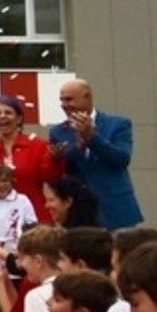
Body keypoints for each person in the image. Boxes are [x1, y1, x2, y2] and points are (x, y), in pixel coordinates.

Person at [48, 78, 142, 228]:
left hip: (116, 211)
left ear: (87, 97)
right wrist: (78, 147)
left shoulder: (118, 124)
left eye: (69, 99)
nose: (64, 105)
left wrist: (91, 137)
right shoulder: (58, 132)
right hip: (80, 216)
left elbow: (121, 159)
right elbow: (64, 168)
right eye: (62, 100)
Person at [0, 93, 60, 224]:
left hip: (34, 218)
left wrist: (56, 159)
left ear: (19, 119)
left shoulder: (38, 146)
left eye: (8, 113)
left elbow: (52, 178)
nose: (2, 116)